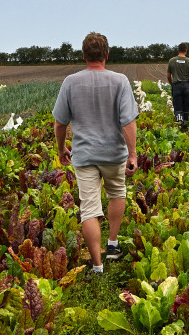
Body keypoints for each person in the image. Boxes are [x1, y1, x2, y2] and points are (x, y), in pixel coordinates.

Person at [53, 32, 139, 274]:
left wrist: (61, 149)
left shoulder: (70, 82)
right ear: (107, 55)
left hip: (85, 155)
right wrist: (132, 154)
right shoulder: (120, 81)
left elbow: (60, 123)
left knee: (89, 208)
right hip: (113, 153)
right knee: (117, 192)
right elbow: (128, 122)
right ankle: (112, 245)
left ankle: (97, 267)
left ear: (83, 55)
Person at [167, 43, 189, 130]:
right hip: (186, 87)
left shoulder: (171, 61)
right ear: (186, 50)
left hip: (176, 86)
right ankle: (185, 123)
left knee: (178, 106)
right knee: (186, 105)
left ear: (178, 50)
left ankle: (179, 124)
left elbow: (168, 75)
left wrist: (172, 84)